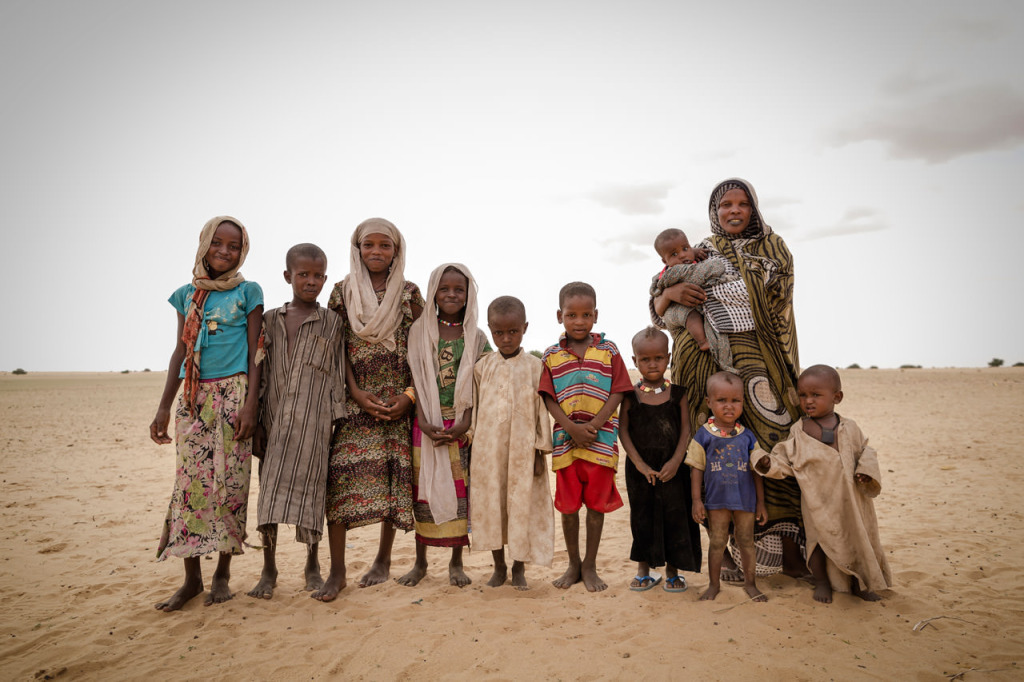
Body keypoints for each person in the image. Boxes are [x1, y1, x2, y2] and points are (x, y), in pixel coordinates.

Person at [652, 178, 805, 582]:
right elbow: (657, 303)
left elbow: (777, 304)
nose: (734, 211)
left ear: (754, 209)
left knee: (775, 443)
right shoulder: (698, 249)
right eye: (725, 205)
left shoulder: (774, 249)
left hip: (760, 360)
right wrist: (672, 293)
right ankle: (729, 557)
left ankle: (790, 555)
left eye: (743, 204)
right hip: (700, 364)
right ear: (714, 212)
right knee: (709, 451)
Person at [149, 216, 263, 612]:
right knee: (190, 490)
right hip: (194, 400)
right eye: (218, 243)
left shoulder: (249, 291)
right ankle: (191, 579)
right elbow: (180, 352)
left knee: (231, 486)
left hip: (234, 397)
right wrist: (165, 405)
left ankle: (222, 575)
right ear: (203, 244)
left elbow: (256, 352)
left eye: (234, 246)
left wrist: (251, 404)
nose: (225, 252)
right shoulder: (186, 295)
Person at [317, 218, 424, 601]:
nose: (376, 252)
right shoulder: (341, 292)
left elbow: (420, 351)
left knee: (395, 483)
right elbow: (337, 347)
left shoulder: (410, 294)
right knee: (340, 483)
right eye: (368, 245)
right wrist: (356, 393)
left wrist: (408, 398)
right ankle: (338, 572)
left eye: (385, 245)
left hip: (398, 400)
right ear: (356, 248)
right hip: (355, 401)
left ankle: (383, 560)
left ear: (397, 250)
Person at [248, 243, 345, 600]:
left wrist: (336, 422)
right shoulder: (270, 319)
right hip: (273, 423)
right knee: (269, 496)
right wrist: (257, 421)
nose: (311, 281)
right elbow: (260, 368)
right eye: (303, 274)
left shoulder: (332, 323)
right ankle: (269, 569)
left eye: (318, 275)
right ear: (288, 276)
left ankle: (313, 565)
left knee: (312, 496)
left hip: (313, 426)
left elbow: (336, 375)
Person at [756, 365, 892, 603]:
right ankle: (821, 582)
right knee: (817, 542)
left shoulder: (849, 427)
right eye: (803, 395)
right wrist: (767, 463)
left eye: (816, 395)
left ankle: (861, 584)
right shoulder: (799, 431)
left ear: (836, 397)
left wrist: (865, 472)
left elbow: (866, 452)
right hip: (817, 502)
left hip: (851, 501)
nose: (808, 401)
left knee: (858, 539)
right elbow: (785, 459)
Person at [399, 263, 490, 587]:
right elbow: (417, 379)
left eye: (459, 289)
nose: (452, 294)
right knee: (422, 493)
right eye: (444, 288)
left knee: (459, 495)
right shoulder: (419, 332)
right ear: (433, 292)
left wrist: (464, 423)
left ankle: (455, 564)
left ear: (469, 295)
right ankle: (420, 563)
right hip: (425, 422)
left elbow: (481, 385)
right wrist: (423, 420)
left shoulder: (477, 337)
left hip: (462, 426)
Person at [540, 282, 633, 592]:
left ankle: (590, 565)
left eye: (585, 315)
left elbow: (619, 390)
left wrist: (593, 426)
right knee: (568, 508)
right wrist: (571, 428)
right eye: (571, 315)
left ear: (596, 315)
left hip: (601, 441)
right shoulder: (551, 355)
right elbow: (548, 397)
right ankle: (573, 564)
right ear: (559, 316)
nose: (578, 321)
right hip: (566, 443)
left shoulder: (609, 350)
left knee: (595, 506)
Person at [470, 296, 554, 589]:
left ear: (525, 328)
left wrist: (539, 452)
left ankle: (519, 567)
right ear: (490, 330)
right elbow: (476, 410)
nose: (506, 339)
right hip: (488, 452)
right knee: (492, 505)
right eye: (498, 333)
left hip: (523, 451)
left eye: (513, 332)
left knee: (521, 507)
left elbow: (541, 411)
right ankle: (499, 566)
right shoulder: (482, 368)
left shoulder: (535, 367)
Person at [618, 327, 701, 593]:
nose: (652, 364)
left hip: (674, 470)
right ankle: (644, 571)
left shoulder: (679, 393)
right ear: (635, 361)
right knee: (642, 517)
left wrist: (677, 461)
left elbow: (686, 429)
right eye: (645, 359)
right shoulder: (630, 395)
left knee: (675, 517)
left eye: (658, 358)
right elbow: (623, 431)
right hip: (640, 471)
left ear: (668, 358)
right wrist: (640, 465)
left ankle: (674, 572)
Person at [686, 371, 768, 602]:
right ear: (709, 402)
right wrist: (696, 500)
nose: (729, 406)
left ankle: (751, 585)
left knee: (746, 542)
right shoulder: (703, 436)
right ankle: (713, 585)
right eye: (722, 400)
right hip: (716, 501)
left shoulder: (748, 437)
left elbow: (757, 471)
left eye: (735, 401)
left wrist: (760, 502)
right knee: (717, 542)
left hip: (745, 501)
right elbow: (696, 469)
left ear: (743, 402)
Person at [649, 228, 750, 373]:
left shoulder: (699, 257)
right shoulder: (667, 273)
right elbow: (658, 308)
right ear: (665, 261)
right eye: (674, 254)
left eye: (685, 248)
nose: (683, 255)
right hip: (683, 313)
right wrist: (668, 295)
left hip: (716, 316)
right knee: (690, 315)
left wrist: (693, 252)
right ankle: (703, 341)